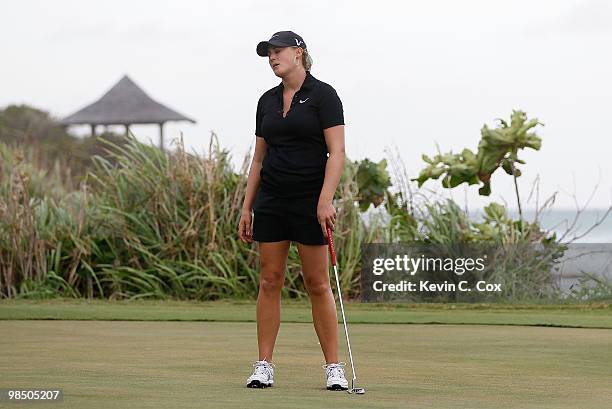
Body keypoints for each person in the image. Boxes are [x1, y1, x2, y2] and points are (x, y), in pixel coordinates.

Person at [238, 30, 348, 391]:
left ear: (298, 53)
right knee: (270, 280)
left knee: (317, 283)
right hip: (272, 200)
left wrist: (325, 199)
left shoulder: (324, 96)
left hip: (309, 201)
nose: (272, 58)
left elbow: (337, 152)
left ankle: (333, 367)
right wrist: (246, 207)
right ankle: (264, 365)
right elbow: (258, 158)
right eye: (268, 53)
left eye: (278, 51)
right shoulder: (266, 101)